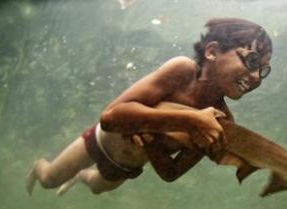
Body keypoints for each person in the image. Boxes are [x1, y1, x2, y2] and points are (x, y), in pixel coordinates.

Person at [26, 17, 273, 195]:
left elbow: (171, 173)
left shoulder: (221, 121)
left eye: (264, 70)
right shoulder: (183, 71)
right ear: (212, 51)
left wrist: (153, 138)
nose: (256, 77)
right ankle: (39, 165)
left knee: (96, 187)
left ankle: (81, 176)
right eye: (252, 61)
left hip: (126, 166)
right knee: (49, 180)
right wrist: (192, 120)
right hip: (100, 142)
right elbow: (110, 118)